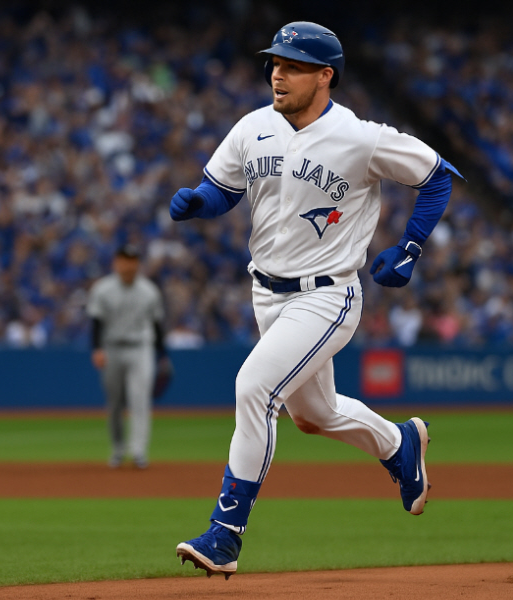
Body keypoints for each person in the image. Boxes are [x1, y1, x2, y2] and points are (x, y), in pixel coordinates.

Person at [169, 22, 461, 578]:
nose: (278, 74)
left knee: (254, 388)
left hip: (326, 296)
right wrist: (199, 202)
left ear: (325, 76)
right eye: (275, 64)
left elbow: (437, 175)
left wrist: (410, 246)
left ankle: (225, 533)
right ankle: (398, 443)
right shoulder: (253, 126)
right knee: (314, 415)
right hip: (266, 292)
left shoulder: (360, 137)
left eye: (293, 66)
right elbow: (223, 189)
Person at [87, 245, 167, 469]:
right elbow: (96, 322)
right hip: (111, 348)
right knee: (114, 403)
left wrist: (162, 354)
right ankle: (118, 449)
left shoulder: (149, 290)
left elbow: (157, 325)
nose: (128, 264)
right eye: (124, 259)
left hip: (141, 348)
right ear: (116, 262)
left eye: (132, 260)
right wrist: (97, 349)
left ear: (137, 264)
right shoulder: (103, 289)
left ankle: (139, 451)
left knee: (139, 399)